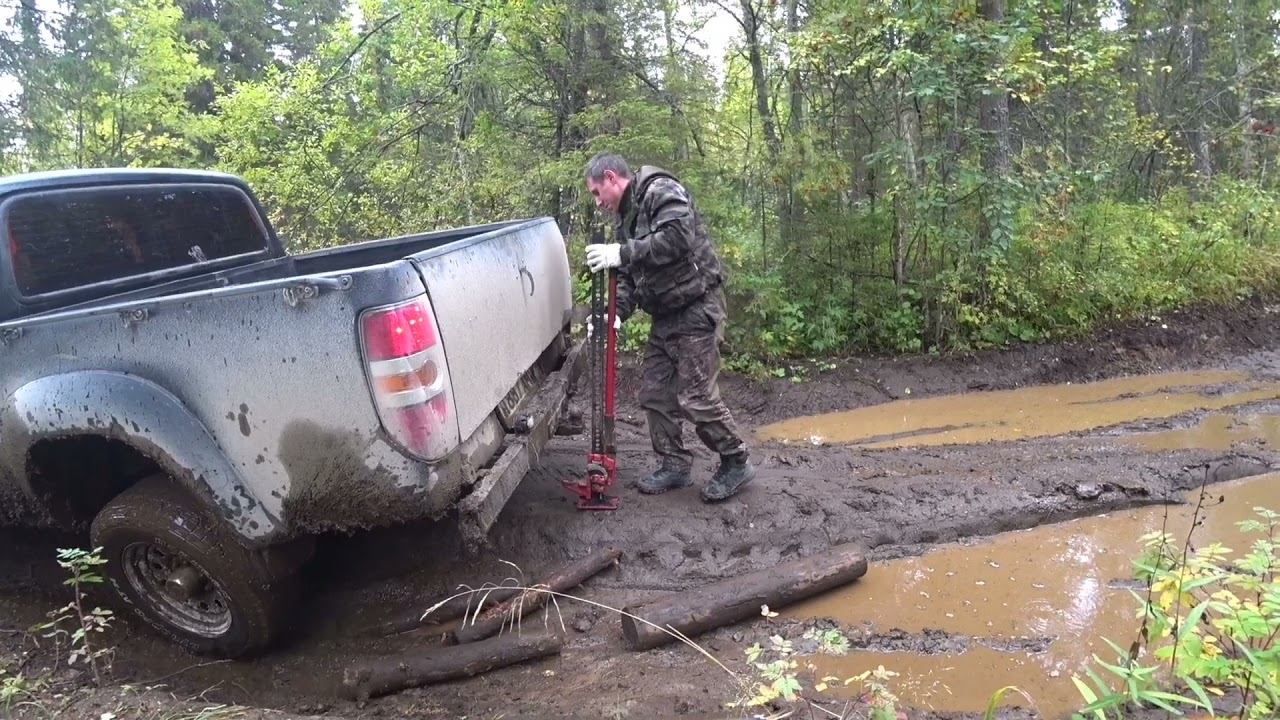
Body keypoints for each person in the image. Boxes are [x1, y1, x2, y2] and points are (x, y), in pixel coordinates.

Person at [583, 152, 756, 502]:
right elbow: (631, 276)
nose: (598, 202)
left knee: (695, 396)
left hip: (696, 307)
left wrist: (623, 253)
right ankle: (674, 463)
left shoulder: (661, 190)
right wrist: (617, 312)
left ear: (613, 178)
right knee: (655, 395)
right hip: (666, 313)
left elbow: (678, 237)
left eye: (597, 192)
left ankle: (736, 460)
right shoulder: (626, 219)